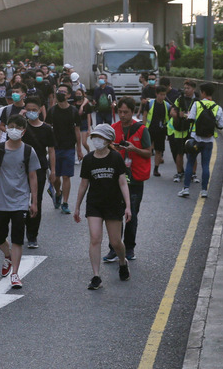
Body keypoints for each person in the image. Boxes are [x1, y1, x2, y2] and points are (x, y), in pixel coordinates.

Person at [0, 114, 40, 289]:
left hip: (20, 201)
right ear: (6, 128)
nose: (13, 130)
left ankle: (15, 273)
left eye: (18, 127)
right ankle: (7, 255)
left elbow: (32, 177)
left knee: (17, 237)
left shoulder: (28, 151)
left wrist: (34, 201)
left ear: (23, 131)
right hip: (0, 199)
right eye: (11, 126)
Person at [73, 124, 132, 290]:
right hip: (94, 204)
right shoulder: (89, 159)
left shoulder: (115, 158)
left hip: (113, 204)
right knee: (95, 238)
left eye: (101, 137)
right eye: (95, 137)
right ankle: (96, 276)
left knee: (115, 242)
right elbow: (84, 184)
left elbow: (122, 183)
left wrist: (128, 206)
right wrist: (77, 206)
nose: (97, 140)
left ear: (108, 140)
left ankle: (122, 262)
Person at [104, 97, 151, 263]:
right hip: (116, 178)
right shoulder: (113, 129)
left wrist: (134, 149)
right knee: (115, 214)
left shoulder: (141, 129)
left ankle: (129, 248)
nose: (122, 115)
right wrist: (113, 148)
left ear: (133, 112)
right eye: (120, 112)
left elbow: (148, 152)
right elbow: (105, 149)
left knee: (131, 214)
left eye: (126, 112)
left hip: (135, 178)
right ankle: (114, 248)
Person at [179, 83, 223, 199]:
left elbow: (190, 119)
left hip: (195, 139)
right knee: (205, 165)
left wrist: (188, 115)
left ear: (203, 93)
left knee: (190, 162)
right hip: (208, 141)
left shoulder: (197, 104)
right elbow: (221, 126)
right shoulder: (217, 107)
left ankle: (186, 189)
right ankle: (204, 191)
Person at [22, 96, 56, 249]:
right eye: (28, 110)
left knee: (36, 200)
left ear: (40, 110)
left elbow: (51, 150)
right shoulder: (21, 127)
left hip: (40, 168)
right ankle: (19, 230)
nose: (31, 113)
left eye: (34, 110)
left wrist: (53, 171)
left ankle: (32, 235)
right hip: (20, 168)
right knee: (21, 200)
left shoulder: (47, 129)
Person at [46, 83, 84, 215]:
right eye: (59, 91)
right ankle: (58, 192)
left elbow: (77, 131)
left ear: (68, 95)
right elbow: (46, 128)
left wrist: (79, 149)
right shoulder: (52, 111)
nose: (60, 93)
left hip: (69, 148)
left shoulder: (73, 111)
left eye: (63, 92)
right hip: (54, 148)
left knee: (66, 176)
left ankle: (65, 202)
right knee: (56, 178)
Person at [145, 85, 172, 177]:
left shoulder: (167, 105)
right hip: (150, 129)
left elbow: (168, 119)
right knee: (148, 149)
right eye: (161, 94)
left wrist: (168, 131)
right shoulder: (150, 103)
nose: (162, 97)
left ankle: (156, 169)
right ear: (156, 94)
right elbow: (145, 115)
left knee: (159, 151)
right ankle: (146, 167)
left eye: (164, 95)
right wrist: (144, 128)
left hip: (161, 131)